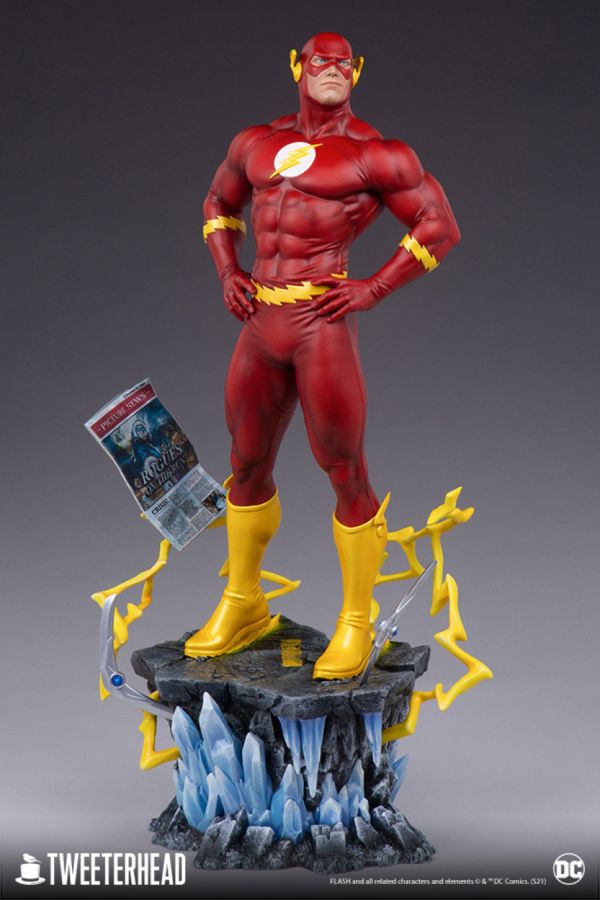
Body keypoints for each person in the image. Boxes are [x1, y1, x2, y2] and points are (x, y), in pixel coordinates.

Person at [185, 32, 460, 679]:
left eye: (342, 62)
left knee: (344, 469)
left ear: (357, 71)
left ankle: (357, 620)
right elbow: (219, 203)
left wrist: (374, 287)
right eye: (320, 60)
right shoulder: (257, 142)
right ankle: (244, 601)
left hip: (320, 323)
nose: (331, 69)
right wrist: (228, 271)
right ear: (297, 66)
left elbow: (439, 226)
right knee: (245, 461)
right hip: (261, 319)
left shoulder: (375, 153)